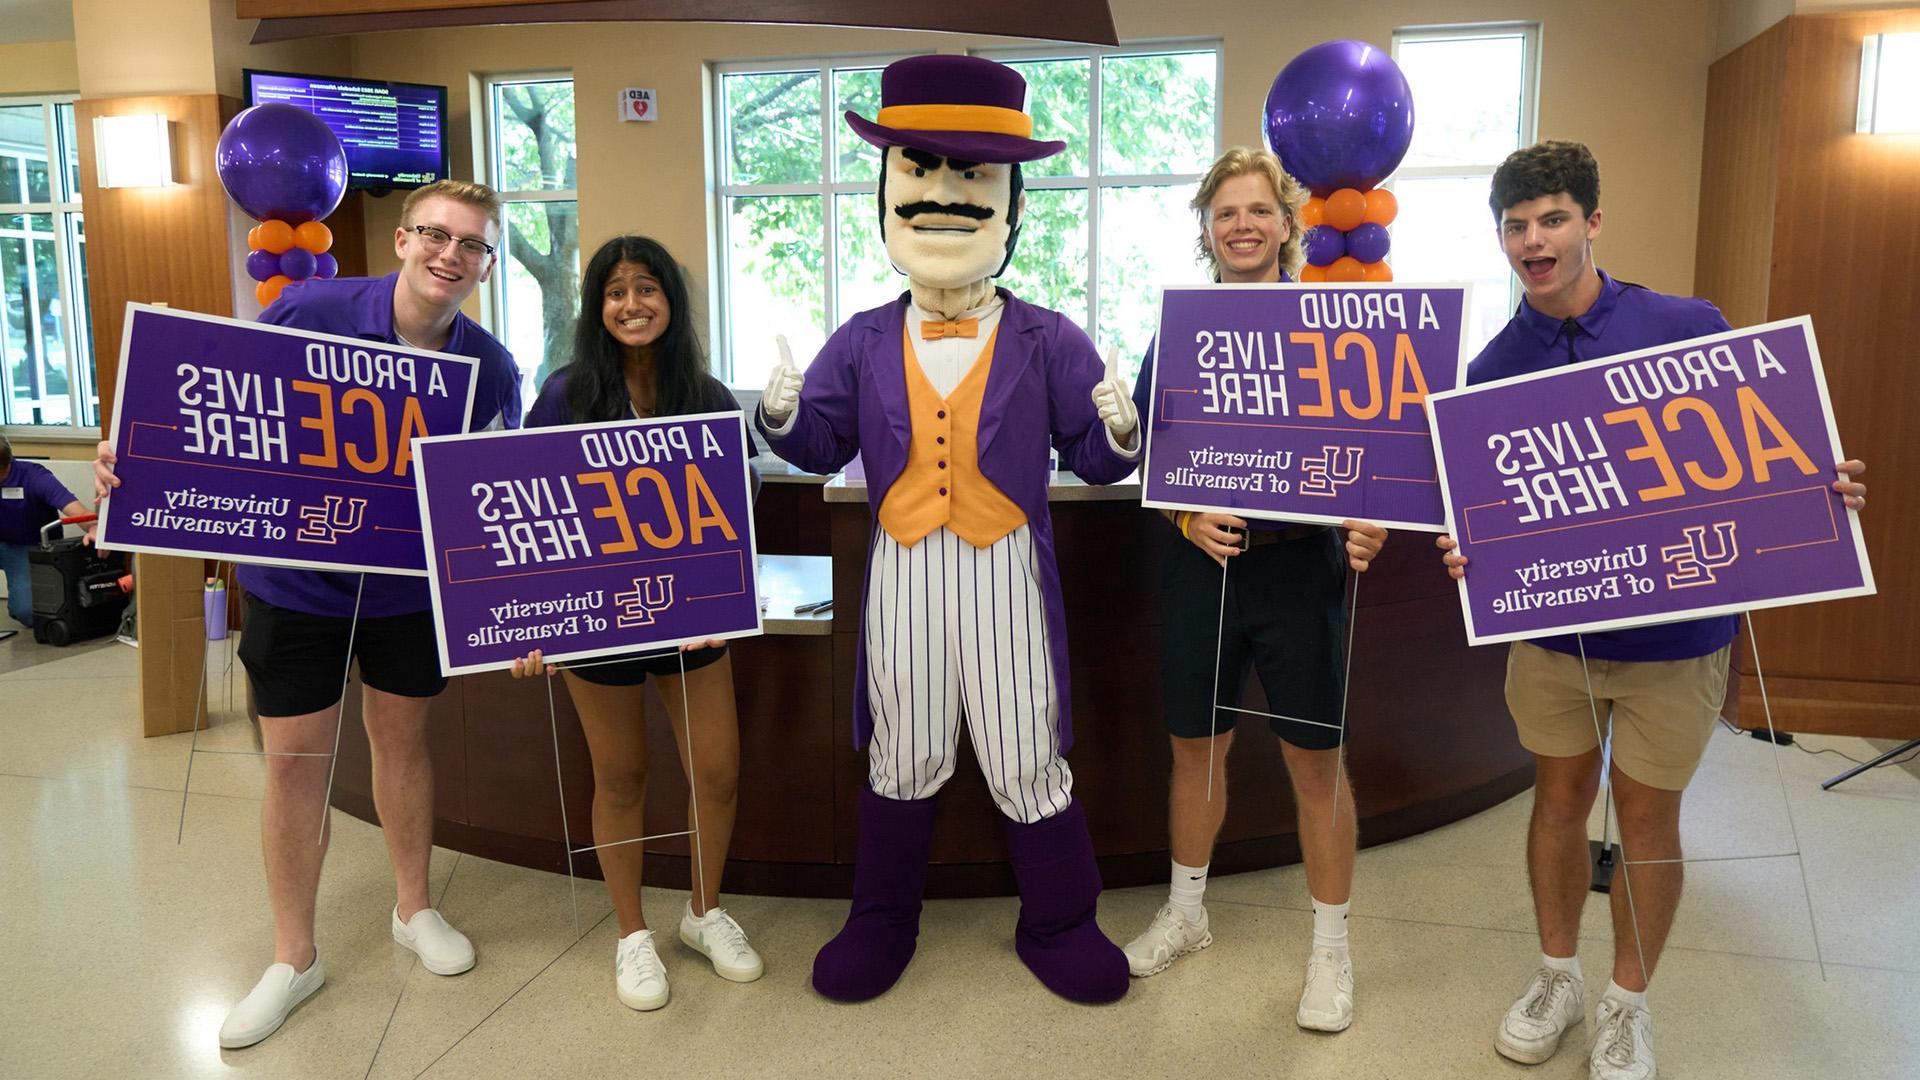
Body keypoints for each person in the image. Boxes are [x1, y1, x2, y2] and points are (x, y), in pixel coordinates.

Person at [1434, 141, 1868, 1080]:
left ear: (1593, 222)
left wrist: (1816, 487)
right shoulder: (1491, 369)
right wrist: (1469, 549)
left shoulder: (1688, 324)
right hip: (1555, 640)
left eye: (1552, 219)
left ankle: (1629, 1003)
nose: (1533, 241)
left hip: (1677, 641)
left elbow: (1763, 450)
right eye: (1515, 226)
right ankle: (1559, 977)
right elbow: (1485, 516)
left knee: (1648, 820)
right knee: (1557, 805)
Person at [94, 179, 524, 1049]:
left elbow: (492, 487)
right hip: (296, 583)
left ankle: (413, 908)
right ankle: (295, 955)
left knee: (404, 743)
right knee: (295, 765)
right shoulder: (309, 310)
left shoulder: (491, 365)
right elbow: (216, 411)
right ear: (403, 240)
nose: (451, 255)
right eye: (436, 235)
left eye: (471, 245)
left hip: (407, 591)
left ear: (485, 265)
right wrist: (128, 450)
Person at [757, 54, 1139, 1004]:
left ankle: (1060, 918)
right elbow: (819, 443)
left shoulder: (1049, 337)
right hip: (902, 570)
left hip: (1007, 565)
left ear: (1009, 204)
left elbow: (1090, 455)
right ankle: (882, 918)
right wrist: (778, 419)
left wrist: (1122, 431)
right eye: (922, 169)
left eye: (973, 175)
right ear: (888, 194)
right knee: (906, 743)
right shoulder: (861, 337)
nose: (945, 195)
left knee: (1022, 747)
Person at [1118, 147, 1387, 1033]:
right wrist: (1183, 520)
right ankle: (1186, 911)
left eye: (1258, 210)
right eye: (1226, 211)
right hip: (1204, 567)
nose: (1242, 224)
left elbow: (1373, 450)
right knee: (1196, 749)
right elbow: (1152, 457)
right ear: (1206, 229)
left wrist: (1371, 517)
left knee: (1316, 765)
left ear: (1287, 225)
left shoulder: (1327, 322)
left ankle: (1332, 946)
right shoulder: (1181, 327)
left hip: (1300, 572)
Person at [510, 235, 763, 1012]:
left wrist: (721, 600)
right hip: (597, 623)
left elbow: (734, 518)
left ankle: (702, 912)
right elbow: (528, 509)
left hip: (691, 624)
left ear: (671, 302)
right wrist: (531, 624)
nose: (631, 304)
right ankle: (630, 934)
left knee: (716, 770)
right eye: (615, 291)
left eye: (646, 288)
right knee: (621, 776)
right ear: (597, 308)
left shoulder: (711, 397)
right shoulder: (563, 394)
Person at [0, 434, 89, 635]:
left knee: (28, 612)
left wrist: (93, 529)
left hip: (27, 547)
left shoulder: (33, 476)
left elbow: (79, 512)